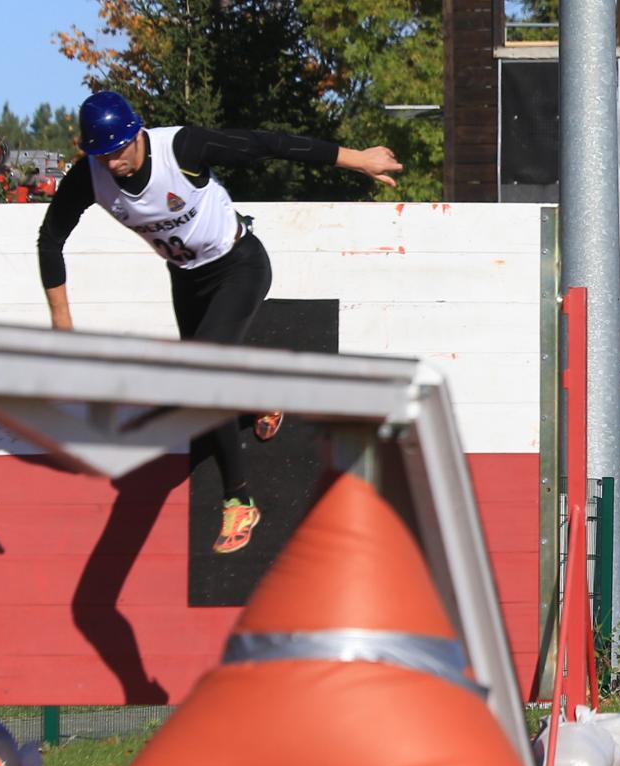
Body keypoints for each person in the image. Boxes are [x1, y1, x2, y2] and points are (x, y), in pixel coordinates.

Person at [36, 91, 402, 553]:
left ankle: (239, 499)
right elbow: (49, 240)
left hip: (239, 265)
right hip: (187, 282)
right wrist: (62, 324)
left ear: (136, 135)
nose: (111, 166)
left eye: (117, 153)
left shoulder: (182, 149)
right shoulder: (90, 176)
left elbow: (268, 143)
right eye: (100, 156)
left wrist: (358, 160)